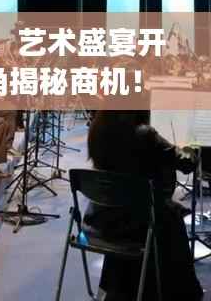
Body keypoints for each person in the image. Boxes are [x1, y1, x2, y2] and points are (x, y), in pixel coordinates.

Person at [84, 110, 203, 301]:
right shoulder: (144, 134)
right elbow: (186, 163)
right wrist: (190, 149)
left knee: (166, 209)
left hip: (102, 222)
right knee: (171, 216)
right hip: (137, 226)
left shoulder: (97, 130)